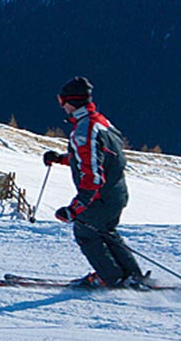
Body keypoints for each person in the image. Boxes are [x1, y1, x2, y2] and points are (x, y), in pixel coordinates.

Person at [42, 76, 146, 289]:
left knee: (86, 233)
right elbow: (98, 158)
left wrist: (74, 209)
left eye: (61, 101)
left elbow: (93, 177)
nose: (61, 105)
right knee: (107, 232)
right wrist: (62, 159)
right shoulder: (100, 121)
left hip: (100, 197)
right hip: (117, 192)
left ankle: (110, 278)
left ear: (70, 101)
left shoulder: (84, 131)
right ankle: (132, 275)